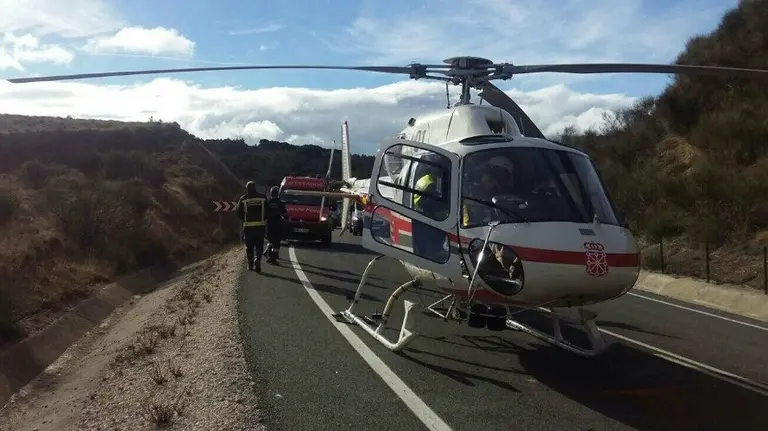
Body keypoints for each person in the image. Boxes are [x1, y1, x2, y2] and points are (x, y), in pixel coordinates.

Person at [236, 181, 267, 272]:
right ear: (255, 187)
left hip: (248, 227)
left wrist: (244, 219)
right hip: (260, 226)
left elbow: (239, 212)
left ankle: (250, 264)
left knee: (249, 246)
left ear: (247, 188)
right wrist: (264, 218)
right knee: (259, 245)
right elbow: (267, 210)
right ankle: (258, 259)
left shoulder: (243, 198)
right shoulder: (263, 198)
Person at [264, 186, 287, 264]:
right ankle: (273, 258)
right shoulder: (280, 202)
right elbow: (285, 213)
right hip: (277, 224)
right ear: (277, 194)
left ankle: (269, 255)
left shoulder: (267, 202)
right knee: (276, 243)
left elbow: (264, 213)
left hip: (269, 224)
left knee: (270, 241)